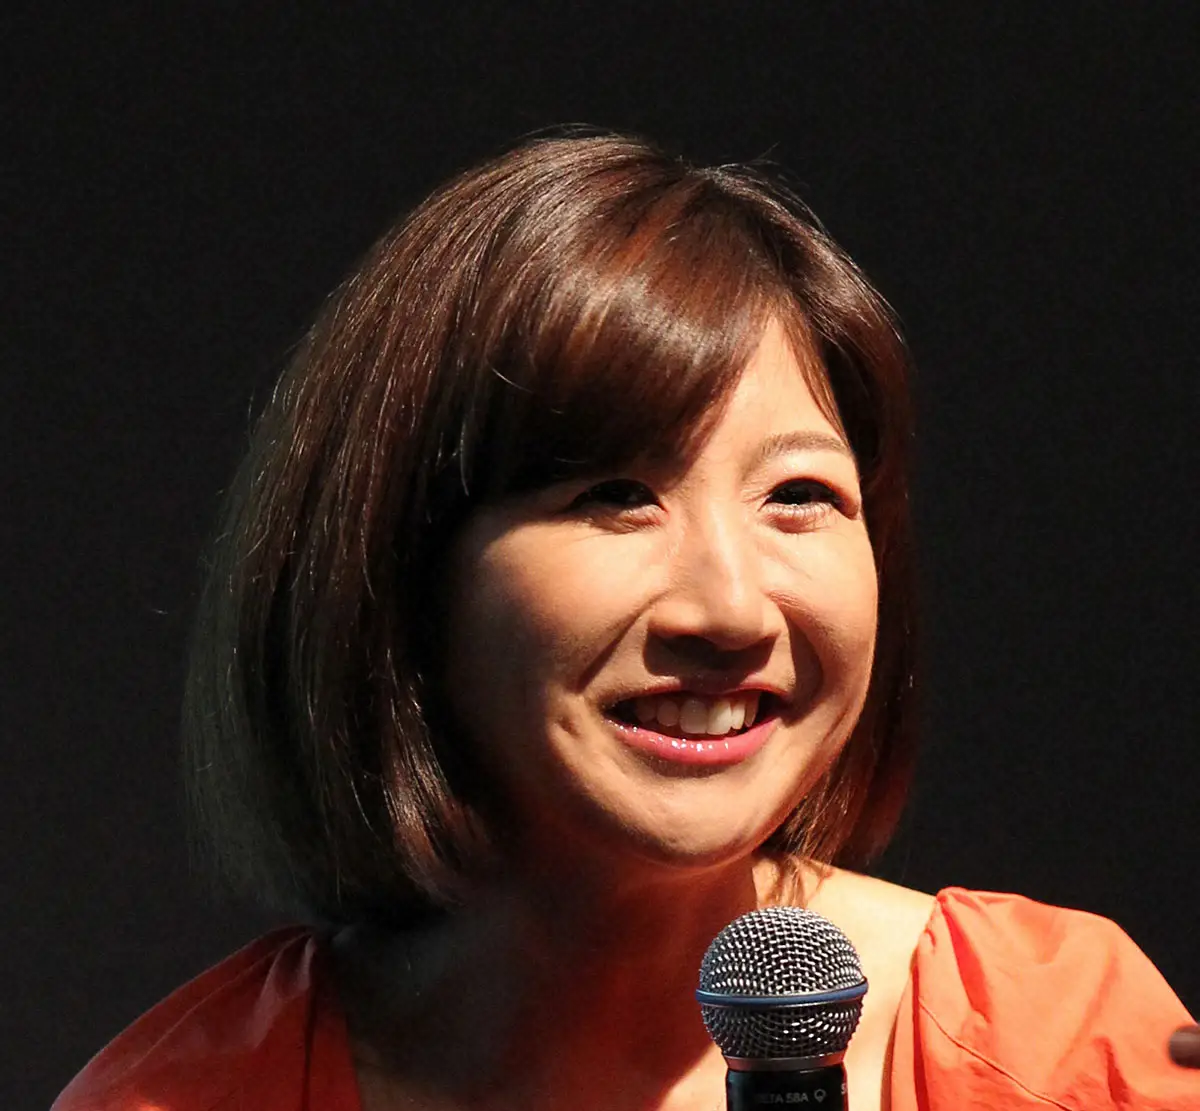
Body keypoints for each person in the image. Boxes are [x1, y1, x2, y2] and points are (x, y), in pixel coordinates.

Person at [54, 132, 1197, 1111]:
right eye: (614, 495)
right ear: (401, 573)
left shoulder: (1054, 1046)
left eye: (799, 495)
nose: (731, 607)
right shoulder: (188, 1093)